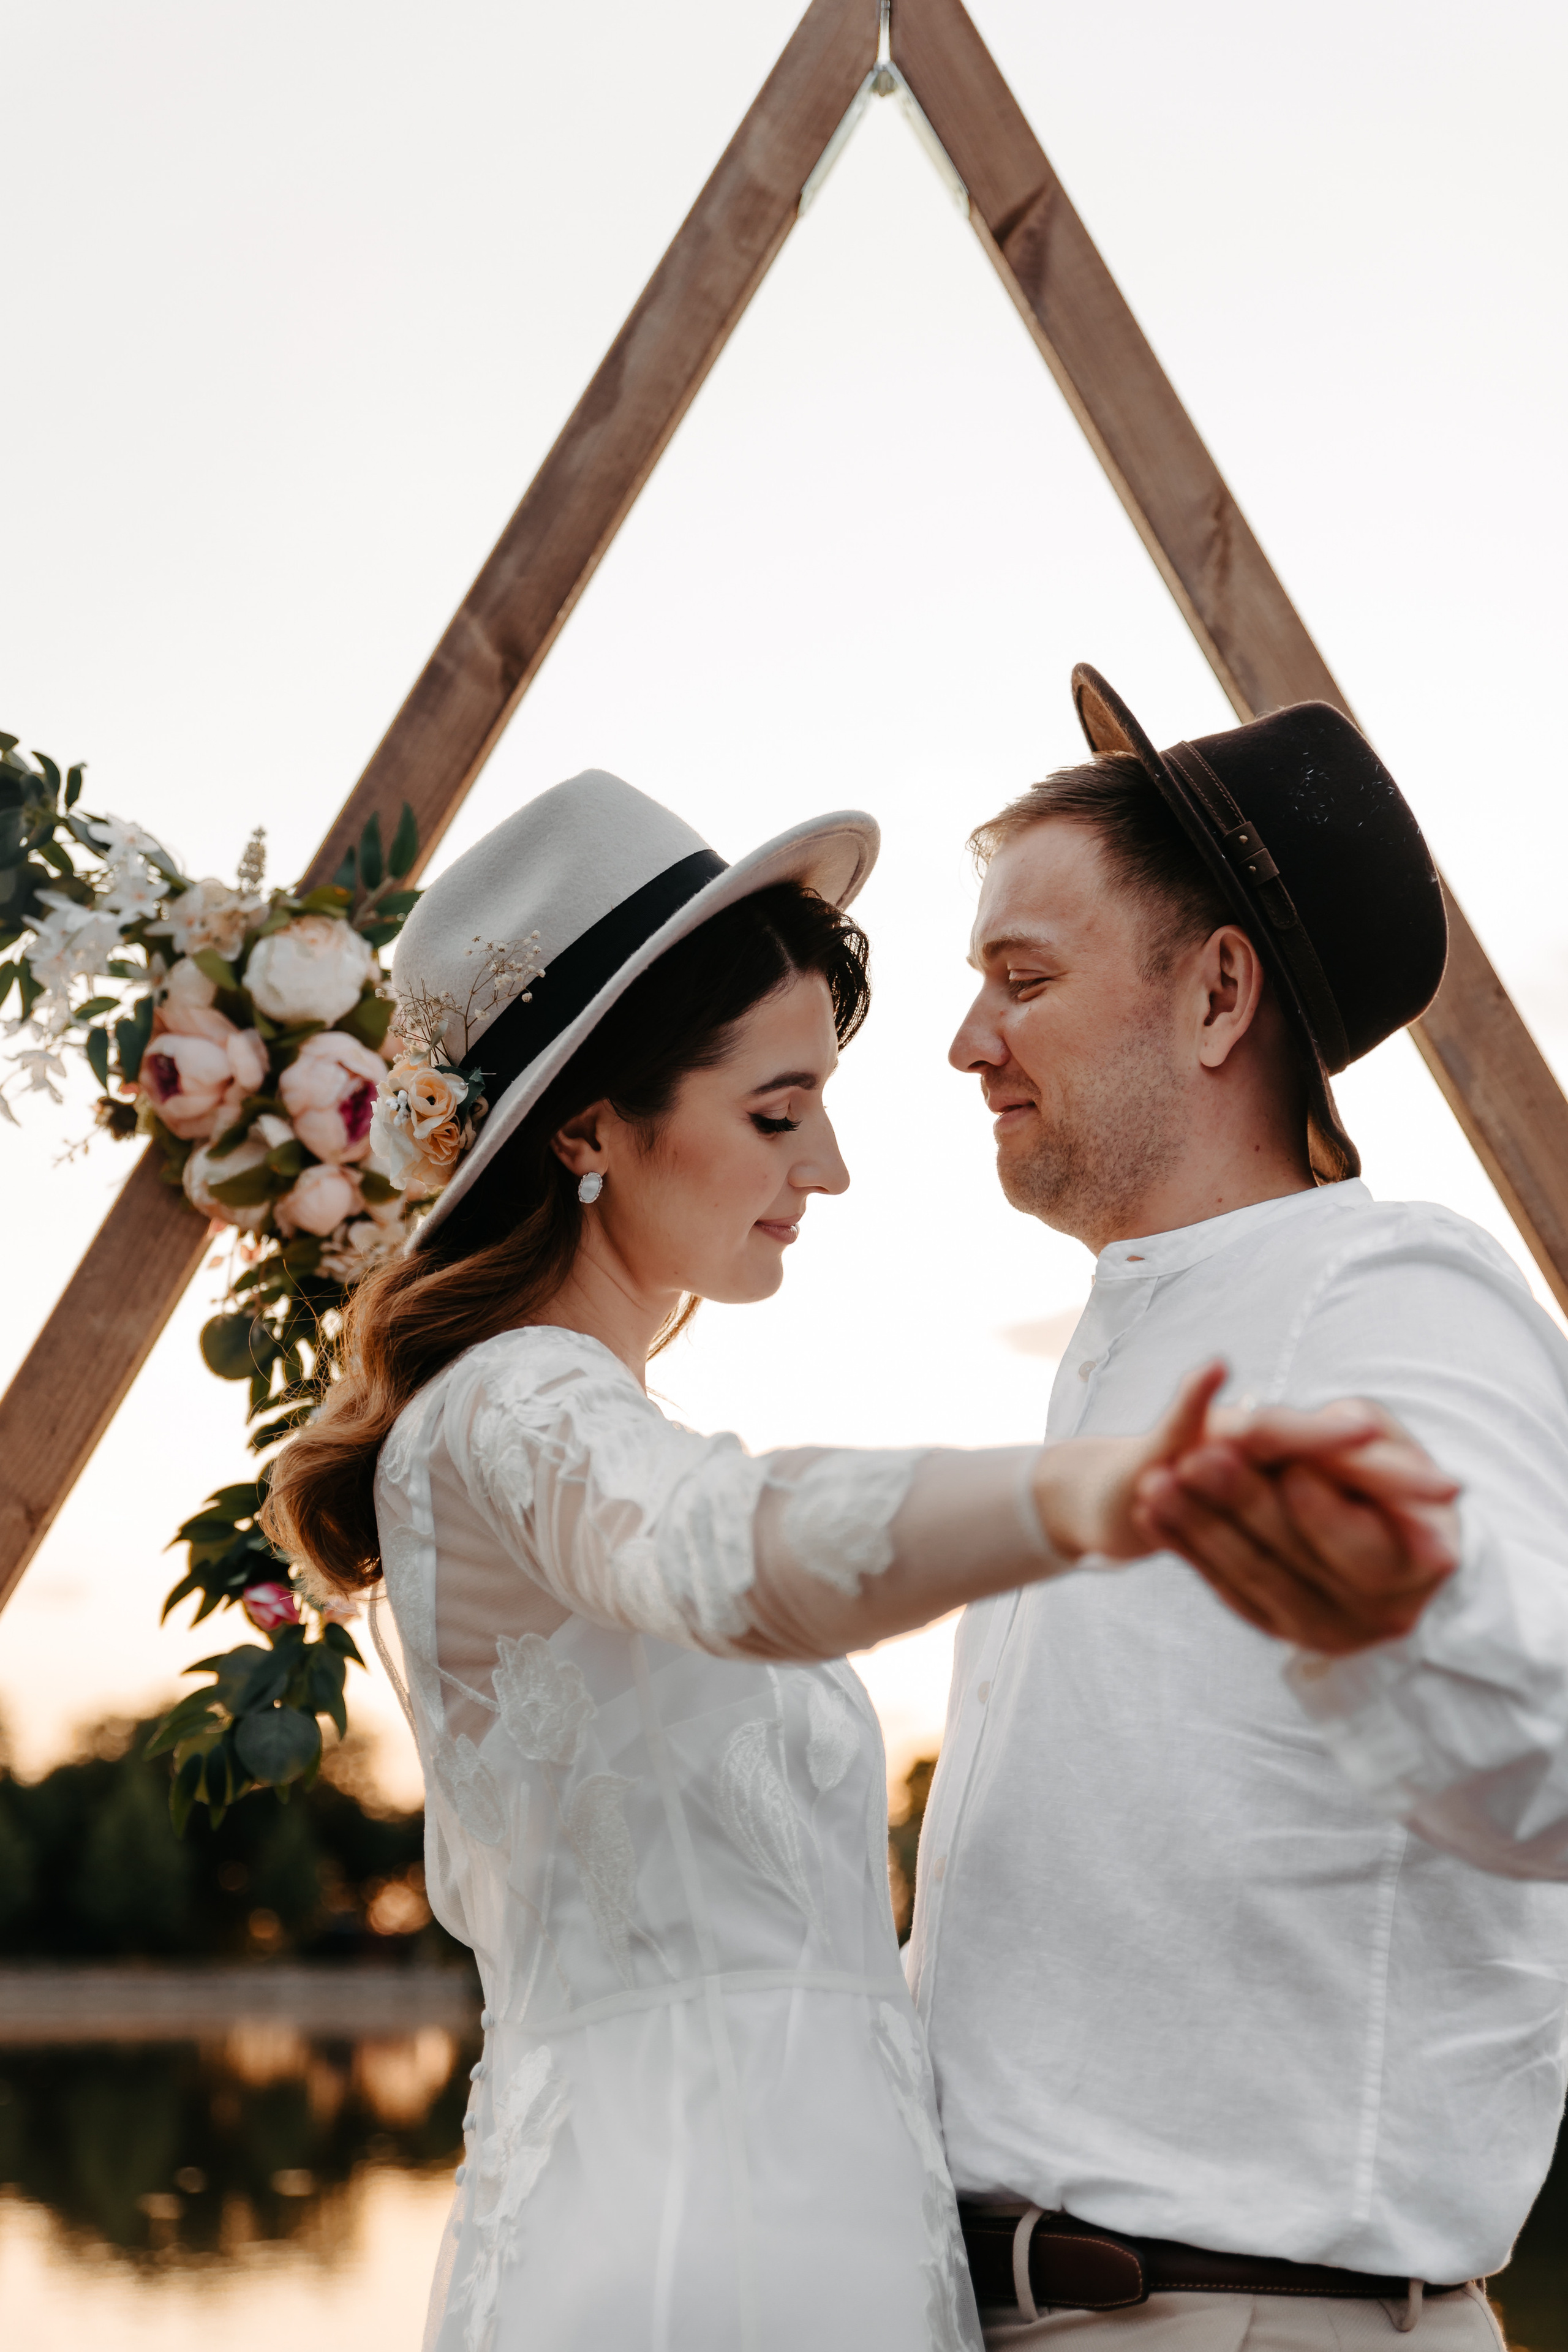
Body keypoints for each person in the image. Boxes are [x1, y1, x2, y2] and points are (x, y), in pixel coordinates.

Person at [263, 770, 1444, 2352]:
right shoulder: (505, 1414)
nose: (826, 1170)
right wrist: (1107, 1495)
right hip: (687, 2275)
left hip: (832, 2259)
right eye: (776, 1112)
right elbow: (727, 1551)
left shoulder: (591, 1422)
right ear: (591, 1128)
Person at [914, 665, 1568, 2349]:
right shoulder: (1134, 1343)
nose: (967, 1040)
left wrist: (1400, 1618)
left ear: (1217, 996)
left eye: (1023, 978)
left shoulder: (1383, 1286)